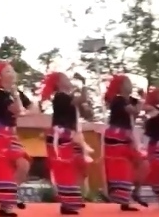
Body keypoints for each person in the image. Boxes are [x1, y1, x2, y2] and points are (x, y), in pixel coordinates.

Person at [0, 61, 33, 217]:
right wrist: (18, 100)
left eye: (12, 70)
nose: (12, 74)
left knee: (24, 164)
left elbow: (33, 108)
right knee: (3, 172)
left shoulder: (15, 92)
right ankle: (6, 207)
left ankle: (11, 196)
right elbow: (16, 109)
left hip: (11, 135)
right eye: (8, 71)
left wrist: (23, 110)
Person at [41, 72, 90, 215]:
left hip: (69, 136)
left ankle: (72, 199)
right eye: (66, 78)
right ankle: (67, 203)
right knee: (65, 169)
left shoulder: (68, 98)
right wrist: (84, 83)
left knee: (78, 165)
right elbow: (82, 99)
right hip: (60, 136)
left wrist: (84, 104)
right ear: (58, 83)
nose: (69, 80)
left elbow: (86, 111)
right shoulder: (60, 96)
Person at [102, 74, 148, 210]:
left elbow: (138, 112)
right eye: (128, 82)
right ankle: (124, 200)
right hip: (117, 136)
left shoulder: (129, 100)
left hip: (126, 136)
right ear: (121, 86)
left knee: (142, 163)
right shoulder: (119, 100)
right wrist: (142, 100)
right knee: (124, 166)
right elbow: (134, 111)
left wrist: (142, 101)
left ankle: (134, 193)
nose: (130, 85)